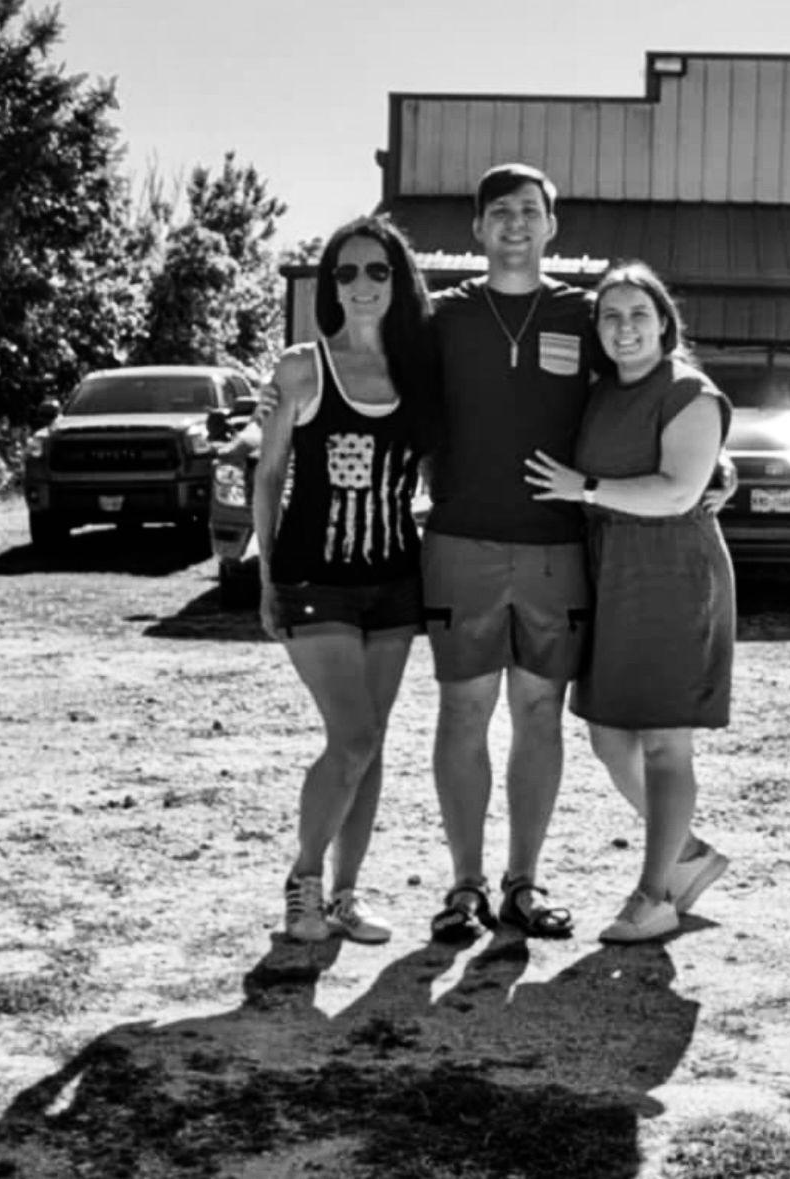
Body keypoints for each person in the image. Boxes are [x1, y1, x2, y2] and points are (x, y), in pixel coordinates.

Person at [524, 261, 735, 943]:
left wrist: (584, 488)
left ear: (664, 322)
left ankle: (654, 895)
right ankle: (686, 853)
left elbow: (678, 491)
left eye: (639, 313)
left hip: (673, 572)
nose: (625, 327)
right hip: (611, 572)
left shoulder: (688, 391)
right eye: (610, 316)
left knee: (666, 742)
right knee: (610, 735)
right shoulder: (601, 392)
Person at [421, 163, 595, 942]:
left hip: (557, 548)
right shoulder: (443, 316)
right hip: (460, 542)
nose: (515, 224)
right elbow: (375, 378)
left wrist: (709, 452)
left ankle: (523, 881)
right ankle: (464, 885)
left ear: (551, 225)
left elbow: (651, 380)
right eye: (500, 211)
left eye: (529, 210)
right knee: (463, 709)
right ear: (477, 227)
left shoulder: (585, 313)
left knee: (537, 711)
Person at [253, 214, 434, 944]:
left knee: (372, 743)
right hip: (313, 580)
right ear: (331, 285)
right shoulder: (302, 369)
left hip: (394, 580)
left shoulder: (419, 372)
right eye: (347, 271)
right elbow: (269, 476)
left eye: (377, 270)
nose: (362, 284)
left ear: (398, 280)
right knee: (352, 738)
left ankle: (345, 896)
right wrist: (266, 577)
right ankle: (303, 883)